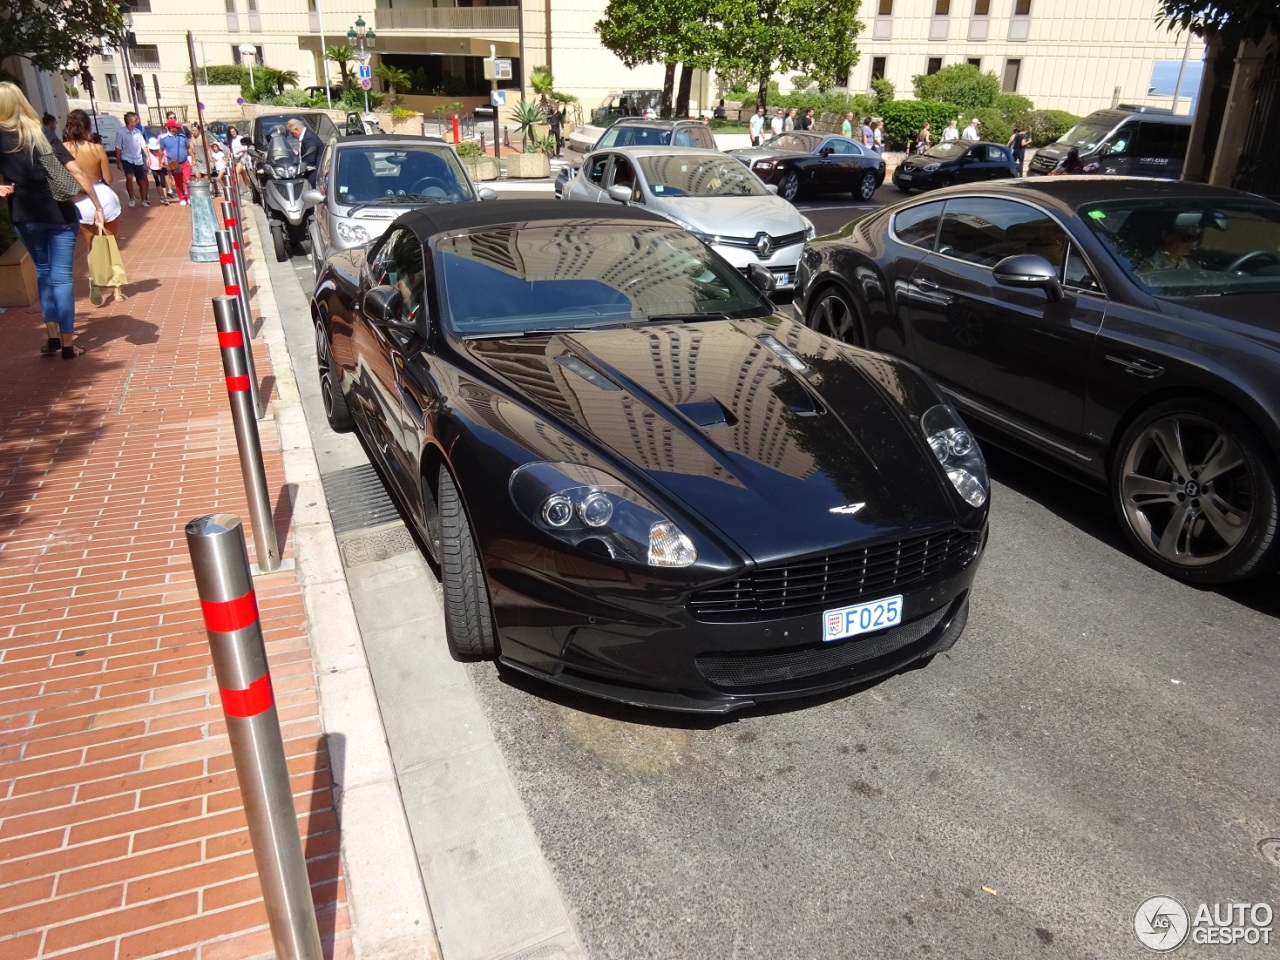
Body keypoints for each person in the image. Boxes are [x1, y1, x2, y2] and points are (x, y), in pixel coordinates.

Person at [0, 82, 104, 358]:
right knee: (62, 279)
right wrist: (96, 205)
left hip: (25, 216)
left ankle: (52, 338)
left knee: (44, 274)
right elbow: (76, 170)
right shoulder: (40, 131)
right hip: (60, 214)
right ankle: (69, 344)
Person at [62, 109, 124, 305]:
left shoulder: (62, 149)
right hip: (102, 196)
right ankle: (117, 291)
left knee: (91, 247)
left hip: (80, 201)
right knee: (110, 244)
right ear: (88, 126)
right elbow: (109, 178)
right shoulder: (96, 149)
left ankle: (95, 281)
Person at [114, 111, 149, 207]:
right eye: (135, 120)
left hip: (138, 158)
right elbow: (118, 147)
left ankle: (144, 200)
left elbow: (143, 145)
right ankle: (131, 198)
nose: (137, 121)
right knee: (129, 177)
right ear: (130, 121)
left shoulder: (137, 132)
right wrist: (118, 161)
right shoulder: (121, 132)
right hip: (127, 158)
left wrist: (148, 157)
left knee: (141, 180)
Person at [159, 119, 191, 204]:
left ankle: (188, 196)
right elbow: (161, 150)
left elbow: (188, 147)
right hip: (174, 164)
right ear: (172, 128)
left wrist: (194, 158)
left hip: (185, 162)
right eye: (177, 127)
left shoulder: (182, 137)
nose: (179, 128)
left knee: (187, 180)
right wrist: (160, 161)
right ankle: (182, 197)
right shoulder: (164, 139)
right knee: (178, 181)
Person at [286, 118, 324, 185]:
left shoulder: (309, 139)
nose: (292, 136)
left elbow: (310, 161)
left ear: (296, 130)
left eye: (292, 133)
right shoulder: (307, 135)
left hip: (314, 176)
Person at [145, 136, 170, 205]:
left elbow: (165, 157)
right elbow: (148, 157)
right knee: (157, 182)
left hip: (161, 167)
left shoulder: (161, 150)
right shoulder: (148, 150)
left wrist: (162, 161)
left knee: (163, 183)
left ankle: (165, 198)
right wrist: (148, 161)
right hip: (153, 167)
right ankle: (161, 196)